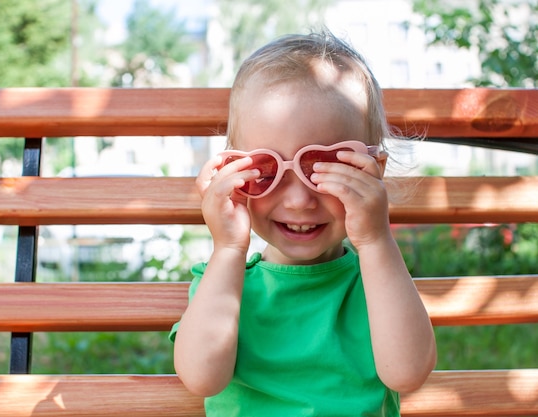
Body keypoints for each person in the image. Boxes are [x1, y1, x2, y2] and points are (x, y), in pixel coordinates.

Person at [169, 29, 437, 416]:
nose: (298, 200)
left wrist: (377, 241)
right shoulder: (224, 282)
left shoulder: (377, 281)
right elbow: (201, 378)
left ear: (371, 172)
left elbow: (408, 373)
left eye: (325, 168)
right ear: (234, 174)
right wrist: (228, 249)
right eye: (266, 169)